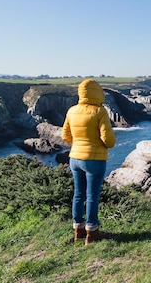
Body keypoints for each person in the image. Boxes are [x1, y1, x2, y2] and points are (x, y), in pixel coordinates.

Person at [62, 78, 116, 245]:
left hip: (75, 158)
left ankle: (78, 230)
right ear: (97, 92)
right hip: (94, 159)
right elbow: (109, 140)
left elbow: (65, 136)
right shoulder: (99, 111)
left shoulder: (72, 110)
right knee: (92, 195)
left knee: (78, 194)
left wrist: (79, 144)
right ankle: (91, 233)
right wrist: (98, 145)